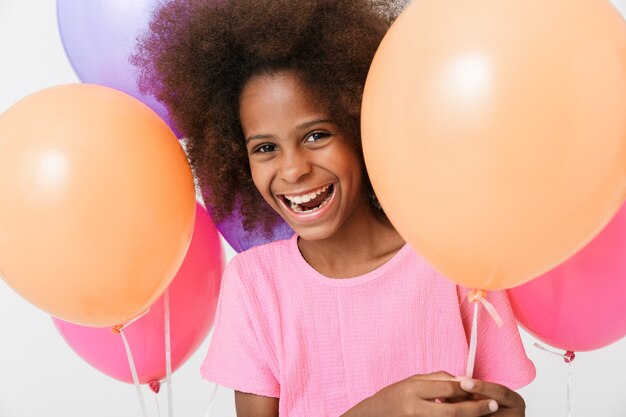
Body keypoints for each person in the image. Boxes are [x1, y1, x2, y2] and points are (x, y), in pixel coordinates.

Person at [134, 0, 535, 415]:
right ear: (237, 158)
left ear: (362, 126)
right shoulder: (256, 287)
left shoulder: (452, 261)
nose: (293, 169)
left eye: (316, 136)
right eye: (266, 148)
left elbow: (499, 402)